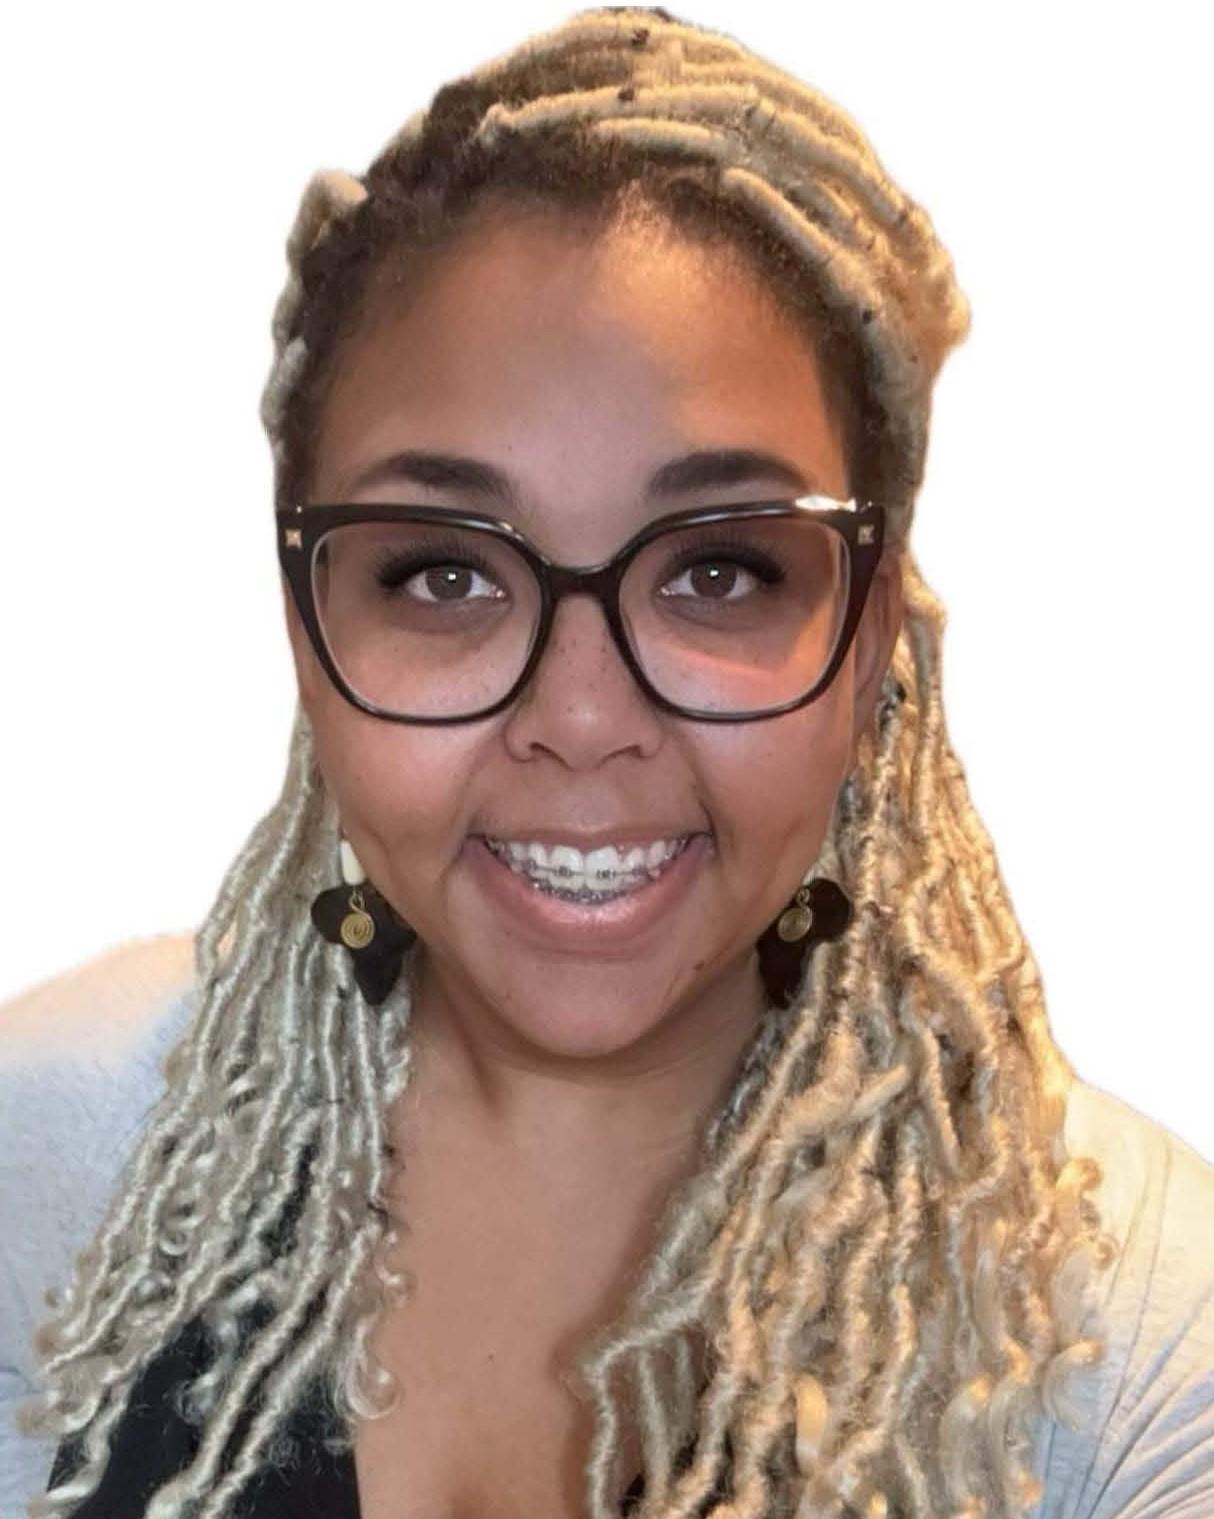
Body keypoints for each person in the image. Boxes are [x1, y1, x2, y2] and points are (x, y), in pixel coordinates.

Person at [3, 6, 1212, 1518]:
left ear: (874, 624)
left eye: (717, 569)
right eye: (443, 573)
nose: (579, 718)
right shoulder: (48, 1163)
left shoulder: (1140, 1339)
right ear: (308, 623)